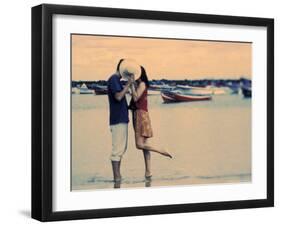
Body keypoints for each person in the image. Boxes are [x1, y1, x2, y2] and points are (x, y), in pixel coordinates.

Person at [129, 66, 172, 179]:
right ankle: (148, 172)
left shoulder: (142, 84)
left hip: (140, 114)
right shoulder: (141, 84)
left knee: (139, 145)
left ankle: (161, 150)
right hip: (142, 114)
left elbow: (135, 98)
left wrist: (132, 85)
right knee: (145, 146)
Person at [107, 59, 135, 184]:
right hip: (118, 120)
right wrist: (128, 84)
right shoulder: (113, 79)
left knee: (120, 149)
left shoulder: (117, 81)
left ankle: (118, 178)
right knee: (117, 150)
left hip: (121, 119)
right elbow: (118, 97)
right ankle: (116, 178)